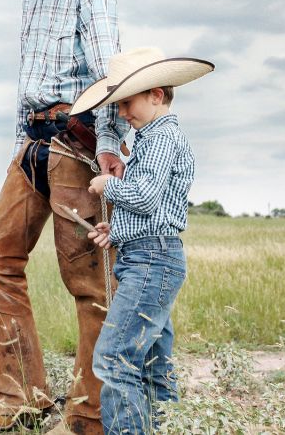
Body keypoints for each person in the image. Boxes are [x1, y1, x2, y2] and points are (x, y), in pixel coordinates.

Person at [0, 0, 129, 435]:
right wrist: (19, 141)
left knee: (88, 281)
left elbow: (109, 69)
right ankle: (20, 398)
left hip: (76, 140)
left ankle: (91, 414)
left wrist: (107, 144)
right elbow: (27, 75)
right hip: (33, 142)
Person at [73, 46, 214, 434]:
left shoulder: (159, 138)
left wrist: (109, 185)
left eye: (127, 103)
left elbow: (147, 197)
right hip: (150, 254)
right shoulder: (154, 137)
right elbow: (156, 211)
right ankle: (161, 426)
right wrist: (115, 231)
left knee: (114, 358)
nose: (121, 113)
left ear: (156, 94)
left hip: (151, 260)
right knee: (152, 361)